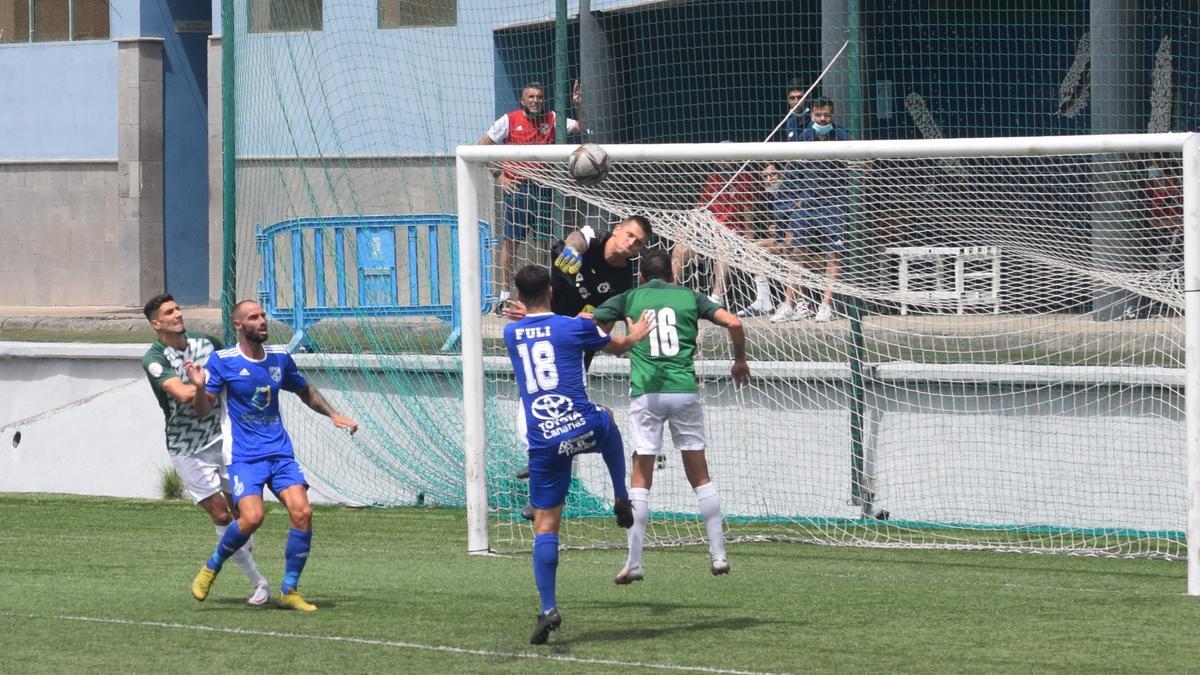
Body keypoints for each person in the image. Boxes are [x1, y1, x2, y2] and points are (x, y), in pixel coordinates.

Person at [503, 264, 654, 644]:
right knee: (608, 421)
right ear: (552, 290)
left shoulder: (510, 333)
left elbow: (542, 328)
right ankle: (621, 494)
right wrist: (634, 334)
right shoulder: (577, 326)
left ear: (519, 297)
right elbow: (616, 346)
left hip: (543, 440)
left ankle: (548, 607)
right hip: (581, 426)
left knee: (546, 524)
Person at [186, 300, 359, 612]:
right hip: (244, 456)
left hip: (279, 453)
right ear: (239, 325)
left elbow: (305, 391)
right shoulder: (222, 361)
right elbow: (203, 410)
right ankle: (211, 566)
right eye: (254, 317)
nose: (262, 321)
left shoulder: (280, 357)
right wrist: (199, 388)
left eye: (263, 315)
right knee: (252, 518)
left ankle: (289, 590)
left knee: (303, 513)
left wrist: (334, 414)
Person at [592, 250, 749, 584]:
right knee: (700, 476)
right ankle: (719, 554)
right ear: (673, 276)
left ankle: (635, 561)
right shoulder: (690, 296)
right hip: (683, 391)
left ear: (641, 277)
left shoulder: (629, 297)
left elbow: (592, 323)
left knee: (640, 479)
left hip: (646, 394)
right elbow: (734, 322)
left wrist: (613, 338)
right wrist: (739, 360)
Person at [506, 215, 653, 519]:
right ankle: (542, 475)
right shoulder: (593, 239)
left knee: (565, 416)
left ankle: (543, 476)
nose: (631, 244)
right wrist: (572, 252)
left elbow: (604, 323)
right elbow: (577, 238)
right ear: (616, 229)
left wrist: (584, 325)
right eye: (629, 235)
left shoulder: (623, 282)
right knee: (537, 403)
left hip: (572, 342)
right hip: (547, 325)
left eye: (638, 243)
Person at [140, 294, 271, 606]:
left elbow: (237, 365)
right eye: (169, 312)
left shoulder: (208, 343)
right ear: (156, 324)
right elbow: (182, 393)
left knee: (245, 514)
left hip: (224, 437)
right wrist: (201, 386)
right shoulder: (155, 359)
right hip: (187, 446)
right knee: (221, 515)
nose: (177, 314)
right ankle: (259, 583)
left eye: (178, 308)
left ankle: (237, 543)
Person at [481, 80, 582, 306]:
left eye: (539, 97)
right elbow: (481, 146)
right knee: (512, 242)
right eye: (531, 97)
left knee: (544, 244)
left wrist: (577, 105)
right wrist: (499, 176)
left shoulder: (552, 119)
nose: (536, 100)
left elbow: (581, 127)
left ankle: (544, 293)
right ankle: (505, 295)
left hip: (545, 189)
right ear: (522, 100)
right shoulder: (509, 120)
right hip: (518, 190)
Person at [771, 96, 850, 323]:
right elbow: (792, 171)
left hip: (833, 204)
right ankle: (789, 304)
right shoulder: (804, 136)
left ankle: (826, 306)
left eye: (826, 115)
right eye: (819, 115)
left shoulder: (842, 136)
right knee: (797, 256)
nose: (823, 119)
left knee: (832, 255)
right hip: (807, 204)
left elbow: (862, 165)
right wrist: (793, 199)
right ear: (813, 115)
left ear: (832, 115)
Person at [671, 163, 770, 312]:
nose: (724, 167)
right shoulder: (713, 180)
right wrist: (687, 229)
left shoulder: (745, 179)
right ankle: (670, 293)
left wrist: (750, 238)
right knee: (680, 248)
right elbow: (700, 208)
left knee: (723, 246)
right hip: (711, 233)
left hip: (735, 234)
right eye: (721, 163)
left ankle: (717, 296)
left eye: (727, 162)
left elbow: (749, 212)